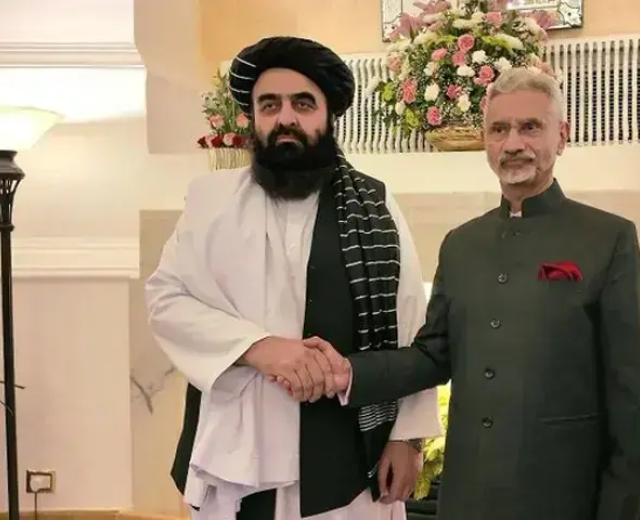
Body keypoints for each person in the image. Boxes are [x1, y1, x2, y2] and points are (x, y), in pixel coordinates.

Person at [295, 67, 640, 519]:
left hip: (562, 498)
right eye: (499, 129)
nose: (513, 143)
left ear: (562, 136)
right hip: (468, 496)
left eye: (530, 127)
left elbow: (630, 402)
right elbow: (433, 356)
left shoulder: (608, 239)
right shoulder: (461, 244)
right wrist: (348, 372)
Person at [145, 36, 441, 520]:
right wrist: (258, 348)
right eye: (270, 105)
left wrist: (407, 437)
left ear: (328, 116)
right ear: (253, 118)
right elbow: (166, 299)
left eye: (303, 104)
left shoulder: (374, 204)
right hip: (236, 451)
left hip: (346, 453)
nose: (285, 118)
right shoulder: (210, 201)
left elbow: (411, 326)